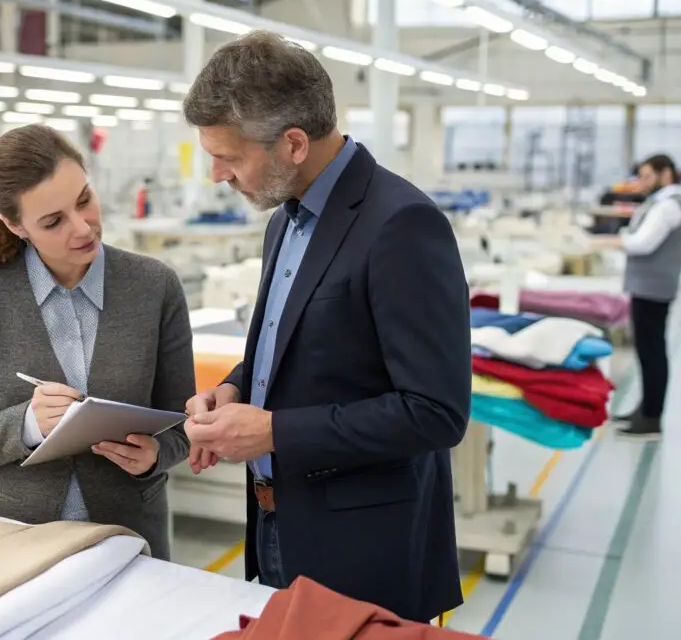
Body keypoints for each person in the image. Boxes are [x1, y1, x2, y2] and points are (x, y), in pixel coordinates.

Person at [180, 31, 471, 623]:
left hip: (364, 551)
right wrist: (236, 387)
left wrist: (274, 433)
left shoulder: (402, 224)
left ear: (292, 143)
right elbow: (293, 348)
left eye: (230, 157)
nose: (217, 175)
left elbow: (436, 412)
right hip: (276, 522)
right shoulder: (284, 221)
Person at [0, 124, 194, 560]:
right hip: (11, 540)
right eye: (53, 221)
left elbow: (184, 423)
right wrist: (28, 425)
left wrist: (155, 456)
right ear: (15, 226)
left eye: (84, 200)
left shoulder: (155, 286)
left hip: (127, 535)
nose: (82, 228)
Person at [613, 154, 681, 439]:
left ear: (665, 174)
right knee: (646, 352)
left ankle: (652, 416)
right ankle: (645, 408)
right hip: (649, 287)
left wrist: (620, 238)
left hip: (654, 289)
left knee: (653, 352)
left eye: (646, 176)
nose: (642, 183)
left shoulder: (669, 206)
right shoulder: (660, 203)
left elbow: (642, 243)